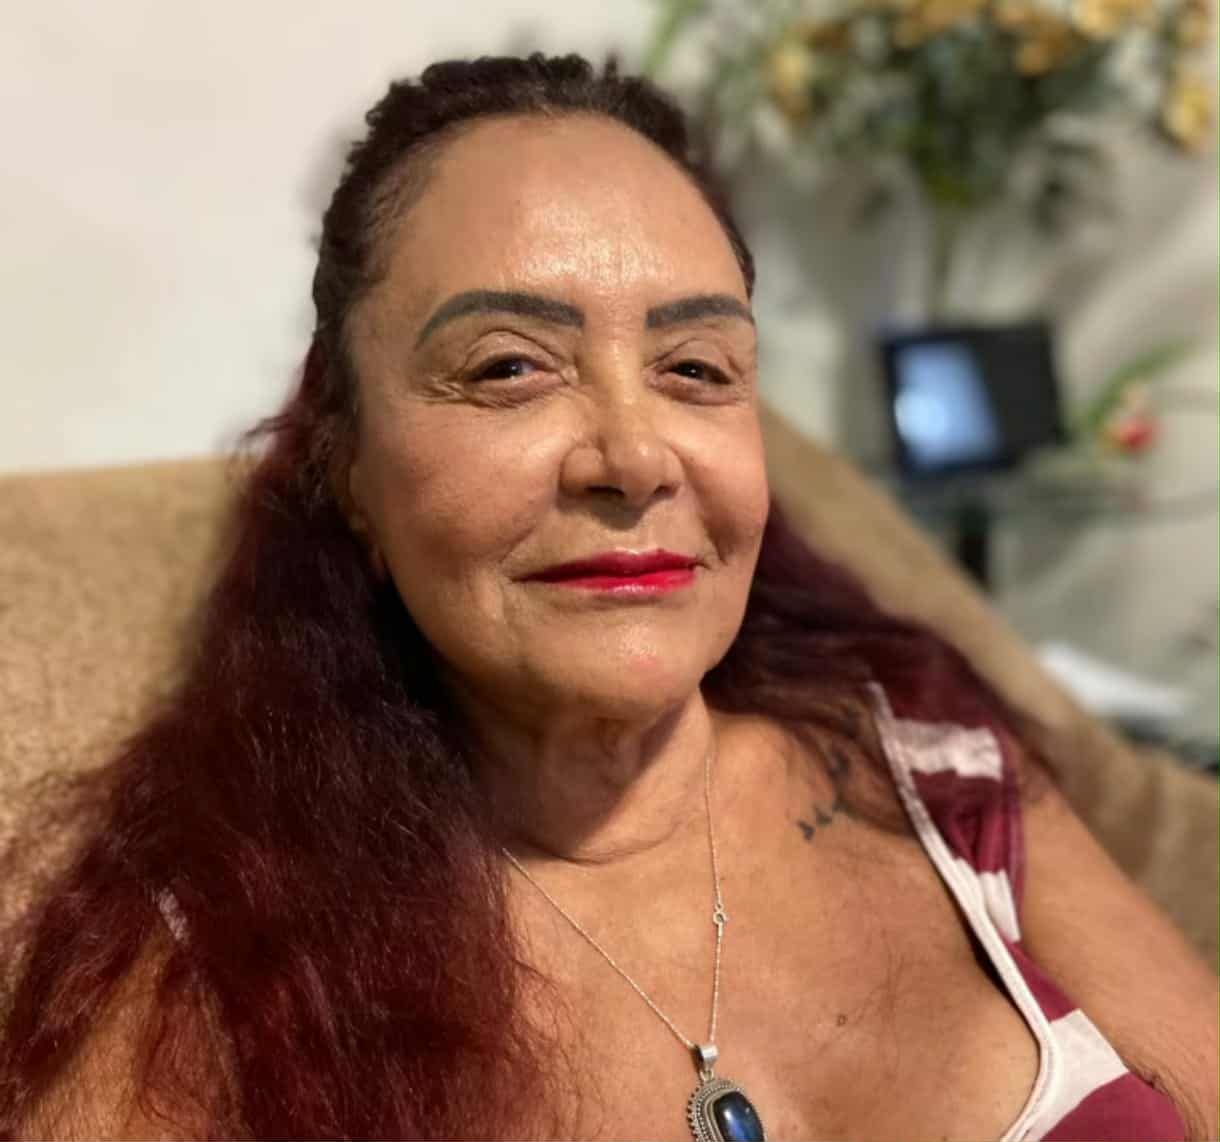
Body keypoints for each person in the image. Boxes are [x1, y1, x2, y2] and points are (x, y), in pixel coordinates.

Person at [0, 53, 1215, 1142]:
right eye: (508, 367)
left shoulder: (942, 783)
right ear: (347, 468)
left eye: (694, 367)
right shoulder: (226, 971)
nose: (633, 456)